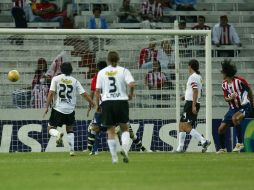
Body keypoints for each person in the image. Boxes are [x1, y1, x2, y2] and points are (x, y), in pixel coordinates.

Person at [43, 62, 95, 156]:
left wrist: (46, 106)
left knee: (50, 128)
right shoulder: (75, 81)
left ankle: (57, 134)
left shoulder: (56, 79)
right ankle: (71, 151)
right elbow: (84, 94)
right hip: (70, 110)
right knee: (70, 129)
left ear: (61, 69)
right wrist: (92, 102)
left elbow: (51, 94)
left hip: (58, 109)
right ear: (71, 70)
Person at [95, 51, 135, 163]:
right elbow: (131, 84)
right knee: (124, 128)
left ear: (107, 60)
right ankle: (125, 150)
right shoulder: (123, 70)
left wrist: (98, 105)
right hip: (121, 101)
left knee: (110, 130)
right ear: (118, 59)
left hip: (107, 102)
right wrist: (130, 94)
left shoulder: (102, 72)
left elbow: (97, 91)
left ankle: (114, 158)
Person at [216, 60, 253, 154]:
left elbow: (250, 91)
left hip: (244, 107)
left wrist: (252, 104)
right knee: (220, 129)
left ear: (226, 72)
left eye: (223, 72)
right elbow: (225, 98)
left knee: (235, 118)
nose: (222, 74)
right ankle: (223, 149)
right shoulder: (224, 84)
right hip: (232, 109)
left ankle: (240, 143)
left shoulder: (240, 81)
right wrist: (230, 98)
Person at [176, 59, 211, 153]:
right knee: (181, 125)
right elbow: (197, 91)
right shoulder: (199, 77)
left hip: (191, 103)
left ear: (190, 66)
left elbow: (195, 91)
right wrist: (185, 96)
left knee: (185, 126)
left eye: (188, 66)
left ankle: (203, 141)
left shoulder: (192, 77)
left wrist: (193, 105)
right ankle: (180, 148)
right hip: (192, 101)